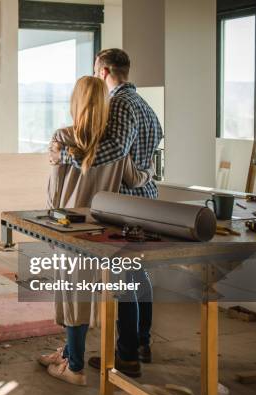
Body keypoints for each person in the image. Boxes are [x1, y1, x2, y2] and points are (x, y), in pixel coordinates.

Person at [49, 49, 162, 378]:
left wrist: (69, 155)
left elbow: (114, 151)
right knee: (137, 276)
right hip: (142, 197)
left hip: (127, 205)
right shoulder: (145, 106)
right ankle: (139, 344)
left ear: (103, 71)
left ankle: (128, 354)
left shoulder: (122, 104)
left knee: (125, 281)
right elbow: (138, 161)